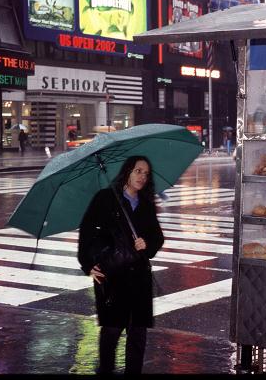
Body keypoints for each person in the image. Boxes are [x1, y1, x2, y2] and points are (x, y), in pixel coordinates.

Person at [78, 156, 165, 374]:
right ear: (127, 172)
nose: (142, 177)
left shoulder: (146, 204)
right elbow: (87, 232)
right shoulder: (106, 198)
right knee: (111, 332)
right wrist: (88, 264)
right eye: (138, 171)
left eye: (146, 173)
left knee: (137, 335)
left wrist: (147, 243)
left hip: (140, 279)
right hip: (113, 277)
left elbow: (157, 237)